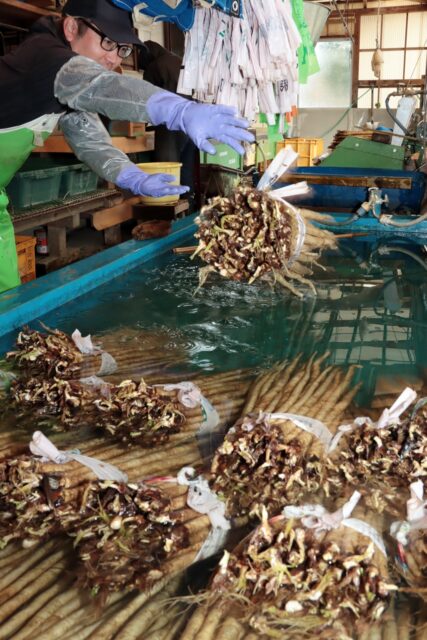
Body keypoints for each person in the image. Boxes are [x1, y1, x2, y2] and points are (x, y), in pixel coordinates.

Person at [0, 0, 253, 293]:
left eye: (122, 49)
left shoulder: (64, 84)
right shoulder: (47, 58)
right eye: (108, 43)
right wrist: (179, 111)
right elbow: (102, 86)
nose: (113, 59)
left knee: (7, 299)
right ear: (70, 27)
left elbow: (90, 141)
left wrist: (133, 177)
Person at [138, 41, 197, 208]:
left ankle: (170, 212)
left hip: (170, 125)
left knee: (168, 170)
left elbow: (146, 100)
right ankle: (189, 207)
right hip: (191, 122)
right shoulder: (179, 61)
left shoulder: (154, 66)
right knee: (185, 169)